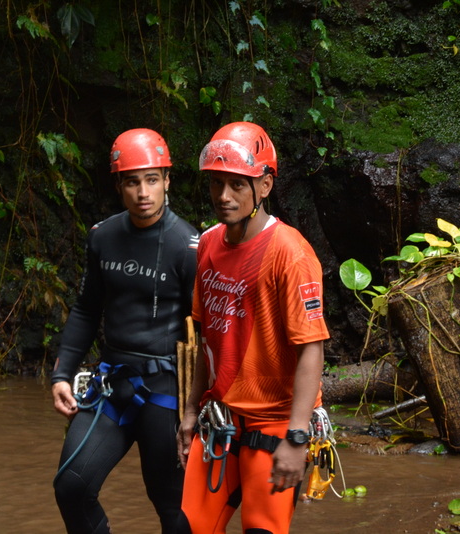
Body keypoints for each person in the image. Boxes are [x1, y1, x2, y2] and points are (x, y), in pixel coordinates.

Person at [175, 121, 330, 534]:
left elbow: (311, 347)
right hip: (220, 419)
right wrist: (190, 412)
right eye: (216, 184)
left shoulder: (290, 254)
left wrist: (297, 439)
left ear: (264, 185)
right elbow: (207, 337)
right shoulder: (208, 243)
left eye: (237, 185)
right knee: (184, 527)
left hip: (274, 422)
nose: (223, 197)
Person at [51, 128, 199, 534]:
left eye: (152, 179)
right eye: (132, 181)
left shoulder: (188, 247)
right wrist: (62, 374)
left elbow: (202, 330)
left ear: (168, 180)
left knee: (173, 506)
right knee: (71, 486)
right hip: (111, 384)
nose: (143, 191)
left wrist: (197, 407)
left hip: (164, 388)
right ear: (119, 184)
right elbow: (86, 307)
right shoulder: (102, 237)